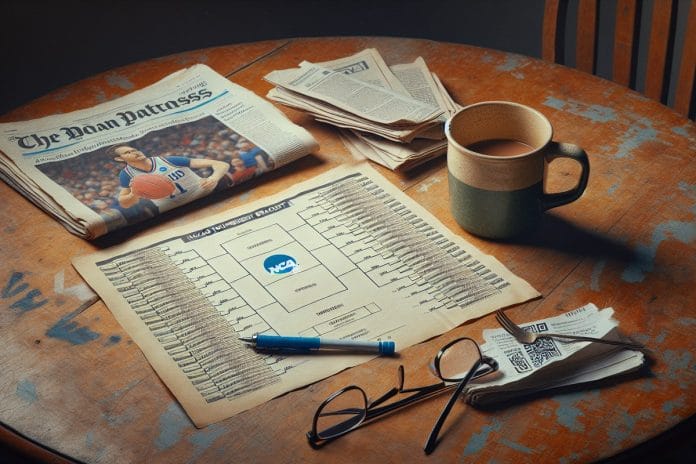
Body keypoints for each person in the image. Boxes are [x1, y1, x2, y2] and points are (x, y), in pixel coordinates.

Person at [109, 145, 229, 212]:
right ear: (120, 159)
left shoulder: (167, 160)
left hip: (201, 194)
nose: (135, 152)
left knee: (224, 179)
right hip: (174, 209)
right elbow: (124, 203)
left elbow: (221, 164)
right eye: (128, 152)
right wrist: (134, 193)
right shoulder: (126, 175)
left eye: (134, 149)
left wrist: (214, 178)